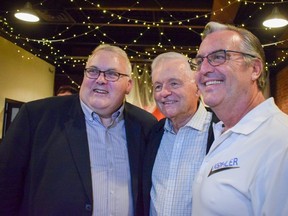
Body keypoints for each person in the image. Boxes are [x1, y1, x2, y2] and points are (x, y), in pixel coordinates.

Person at [0, 44, 157, 216]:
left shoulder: (145, 125)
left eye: (112, 74)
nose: (100, 79)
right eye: (93, 71)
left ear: (129, 85)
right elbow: (5, 187)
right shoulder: (37, 117)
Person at [191, 21, 288, 215]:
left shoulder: (280, 142)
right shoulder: (223, 131)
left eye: (218, 57)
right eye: (200, 61)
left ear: (255, 69)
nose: (203, 70)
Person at [140, 52, 217, 216]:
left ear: (197, 88)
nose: (164, 93)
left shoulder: (221, 131)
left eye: (174, 84)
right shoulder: (153, 133)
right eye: (158, 86)